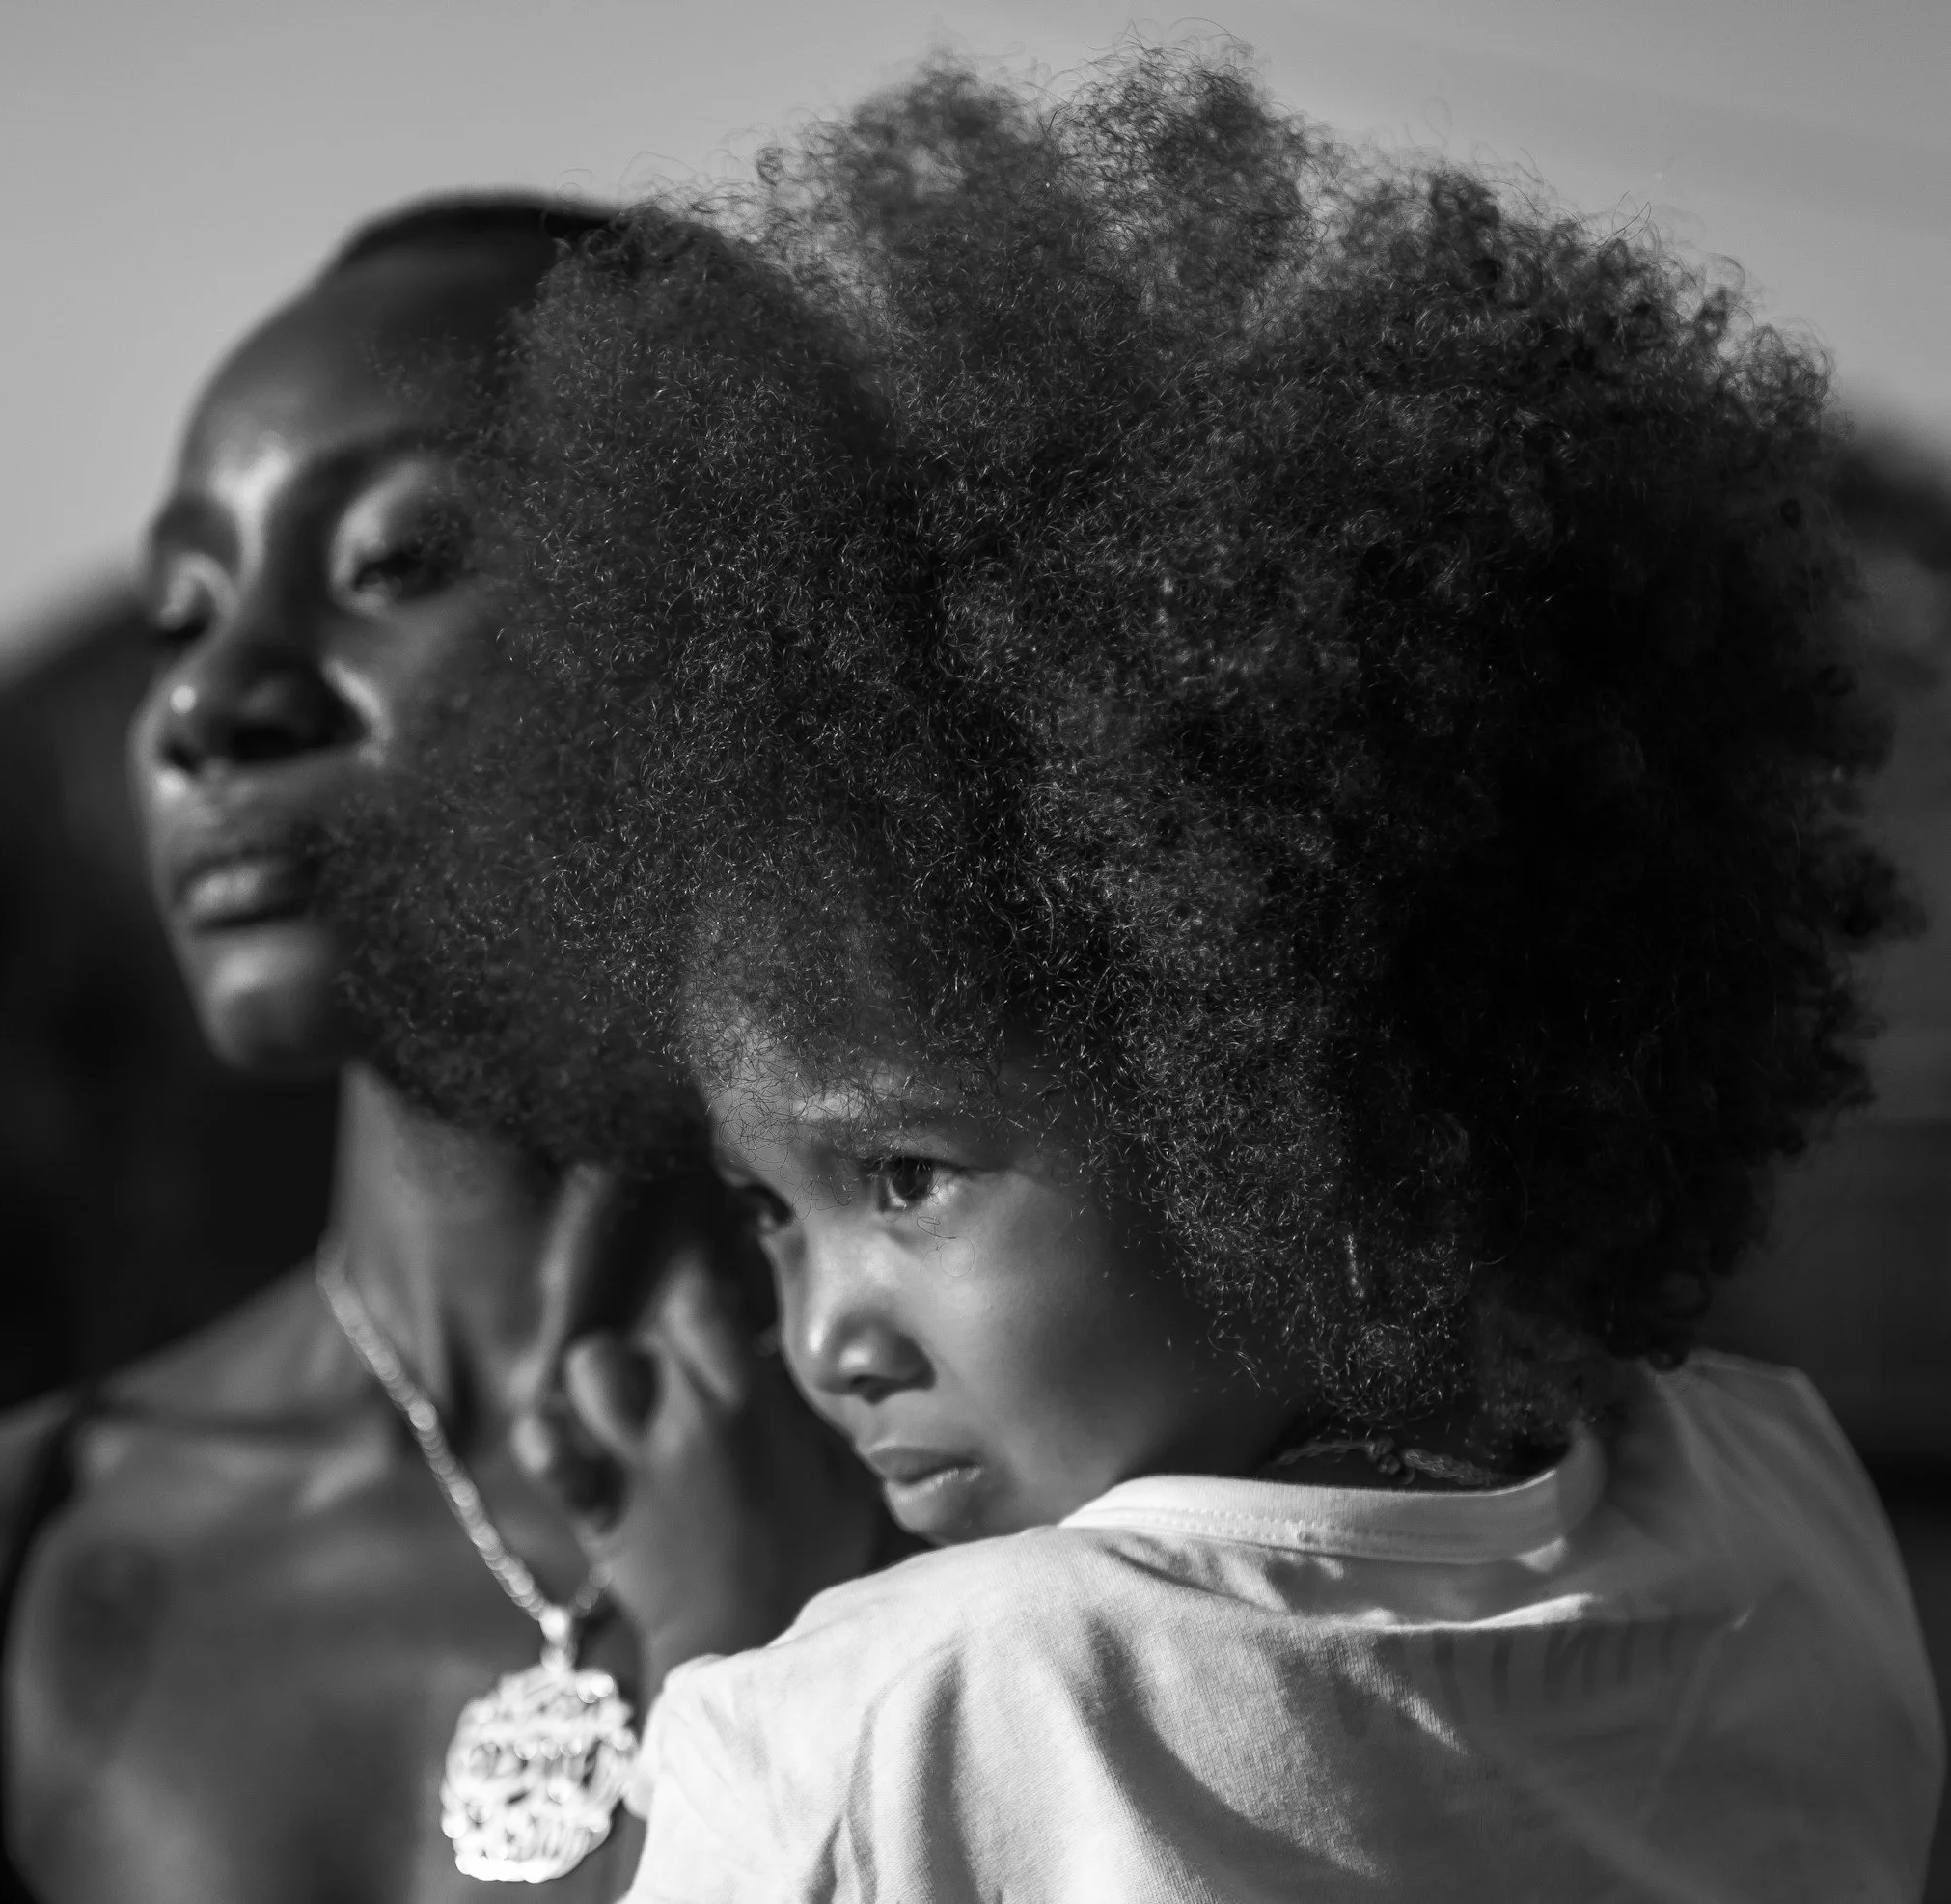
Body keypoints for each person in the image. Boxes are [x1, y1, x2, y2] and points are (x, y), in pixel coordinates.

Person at [431, 51, 1947, 1900]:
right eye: (769, 1211)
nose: (825, 1337)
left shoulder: (911, 1711)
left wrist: (719, 1662)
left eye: (904, 1177)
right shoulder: (1779, 1494)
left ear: (1289, 1105)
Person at [0, 194, 884, 1904]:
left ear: (730, 633)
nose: (209, 703)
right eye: (179, 612)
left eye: (392, 561)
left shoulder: (1064, 1493)